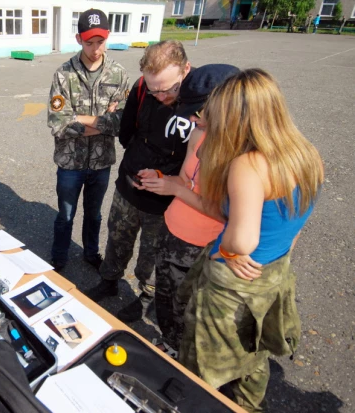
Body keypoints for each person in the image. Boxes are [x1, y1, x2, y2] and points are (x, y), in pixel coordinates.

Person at [177, 69, 324, 412]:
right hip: (274, 272)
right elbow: (299, 215)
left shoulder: (249, 164)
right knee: (254, 352)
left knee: (199, 367)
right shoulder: (306, 153)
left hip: (234, 286)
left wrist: (225, 250)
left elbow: (242, 240)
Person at [132, 64, 240, 353]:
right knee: (165, 301)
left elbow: (229, 213)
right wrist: (160, 179)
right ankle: (168, 344)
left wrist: (176, 189)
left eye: (199, 112)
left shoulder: (242, 154)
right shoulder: (199, 133)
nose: (192, 119)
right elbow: (184, 178)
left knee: (187, 311)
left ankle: (183, 358)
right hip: (172, 231)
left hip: (200, 246)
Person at [86, 40, 194, 319]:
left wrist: (167, 177)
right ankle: (109, 280)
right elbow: (126, 129)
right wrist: (137, 161)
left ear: (186, 70)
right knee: (118, 236)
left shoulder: (200, 102)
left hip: (166, 197)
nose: (160, 95)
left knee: (153, 250)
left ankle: (146, 296)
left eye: (169, 89)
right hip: (130, 183)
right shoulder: (143, 87)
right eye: (154, 89)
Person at [47, 8, 129, 272]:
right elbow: (58, 124)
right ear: (78, 38)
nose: (95, 49)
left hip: (101, 162)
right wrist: (104, 123)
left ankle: (91, 252)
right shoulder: (63, 75)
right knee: (66, 215)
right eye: (88, 42)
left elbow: (123, 122)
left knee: (93, 215)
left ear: (108, 37)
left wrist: (80, 118)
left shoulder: (118, 74)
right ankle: (59, 255)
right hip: (70, 163)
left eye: (100, 41)